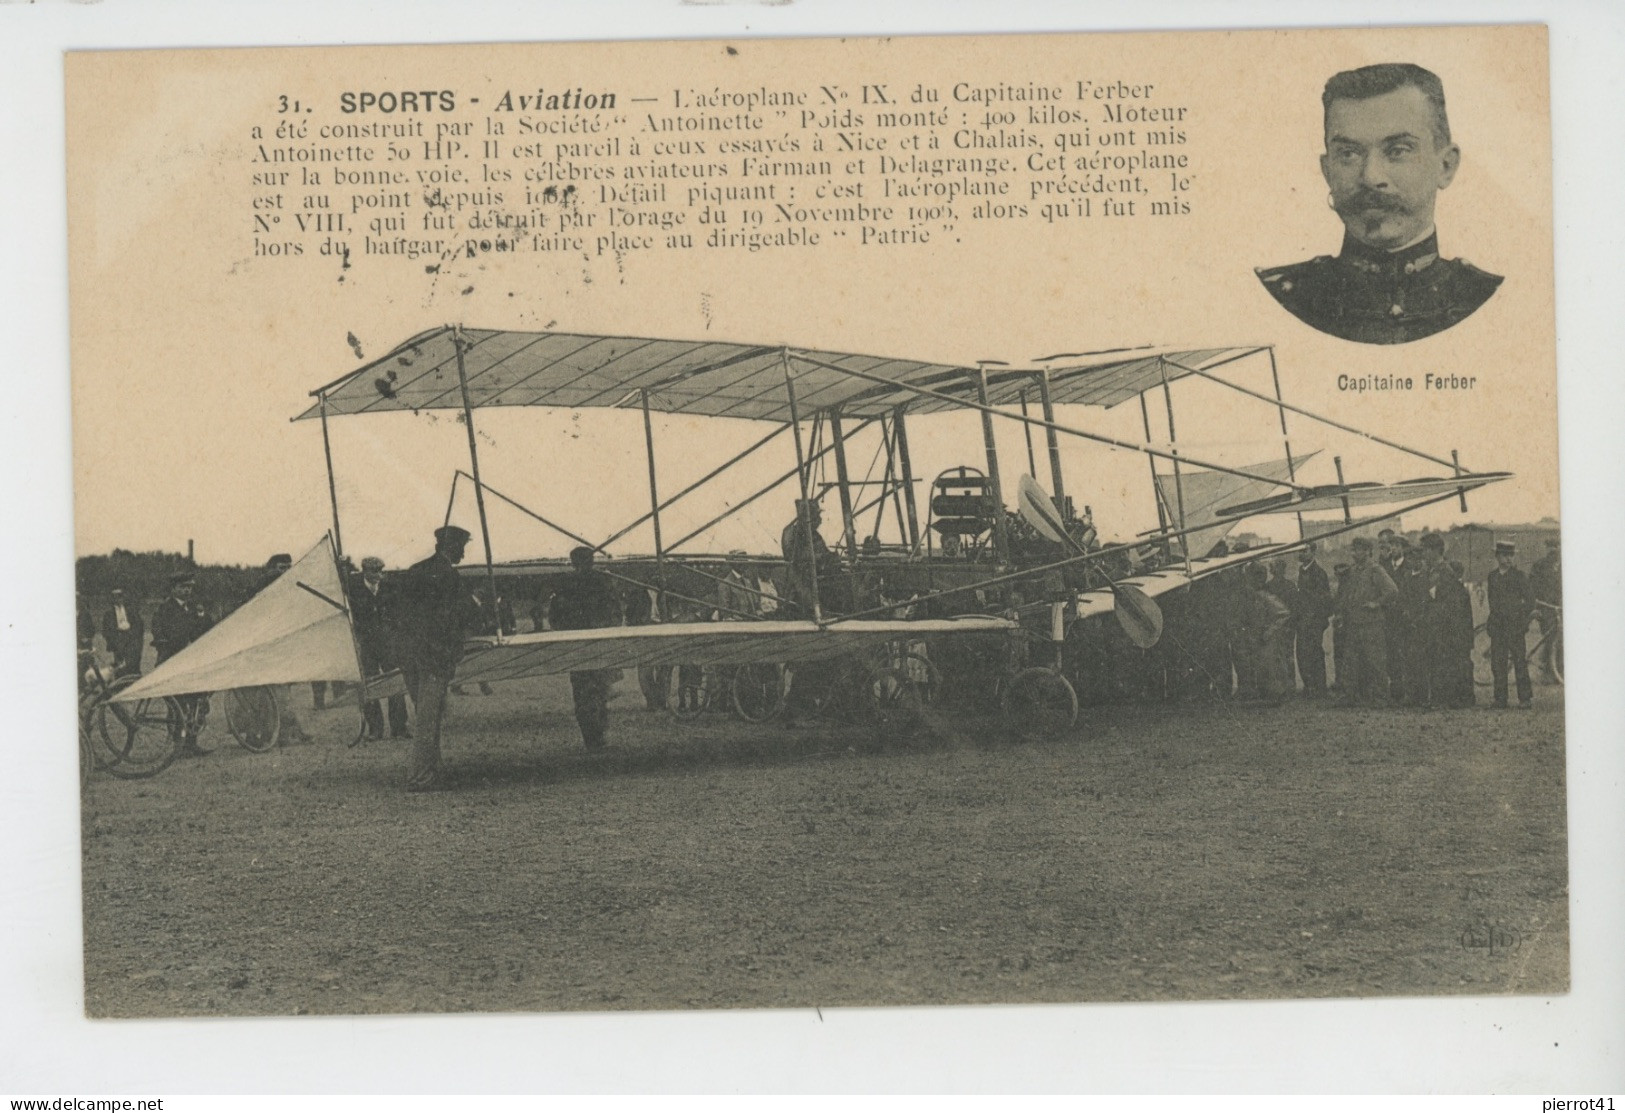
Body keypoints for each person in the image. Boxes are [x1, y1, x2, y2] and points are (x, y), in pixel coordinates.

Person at [1256, 63, 1502, 344]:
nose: (1371, 176)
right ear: (1327, 171)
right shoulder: (1282, 298)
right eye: (1348, 154)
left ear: (1445, 166)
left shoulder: (1489, 297)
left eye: (1397, 151)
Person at [394, 525, 478, 790]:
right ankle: (420, 777)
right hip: (433, 657)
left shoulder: (415, 571)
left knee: (426, 714)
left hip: (409, 655)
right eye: (461, 548)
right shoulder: (449, 577)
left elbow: (399, 612)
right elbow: (462, 614)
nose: (463, 555)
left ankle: (433, 769)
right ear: (450, 547)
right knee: (428, 720)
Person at [547, 546, 622, 749]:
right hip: (600, 642)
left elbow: (554, 616)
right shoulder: (604, 581)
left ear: (573, 562)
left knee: (583, 691)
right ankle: (599, 734)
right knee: (601, 690)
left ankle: (591, 737)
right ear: (592, 561)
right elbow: (616, 611)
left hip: (577, 644)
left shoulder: (565, 584)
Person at [150, 570, 214, 756]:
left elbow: (207, 630)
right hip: (173, 662)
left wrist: (203, 617)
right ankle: (179, 745)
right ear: (172, 589)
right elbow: (158, 632)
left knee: (198, 702)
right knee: (179, 706)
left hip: (194, 663)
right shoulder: (164, 610)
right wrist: (167, 645)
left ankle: (191, 742)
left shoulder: (194, 608)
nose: (186, 591)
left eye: (189, 587)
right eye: (182, 587)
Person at [349, 556, 408, 741]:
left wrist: (393, 631)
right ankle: (375, 729)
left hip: (388, 643)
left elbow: (398, 611)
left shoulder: (389, 588)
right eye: (375, 571)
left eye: (381, 571)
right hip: (366, 644)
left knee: (395, 681)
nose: (379, 575)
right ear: (365, 571)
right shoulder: (354, 590)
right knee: (370, 685)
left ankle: (399, 728)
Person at [257, 553, 314, 744]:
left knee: (283, 692)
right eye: (282, 568)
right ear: (271, 569)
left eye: (289, 568)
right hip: (267, 648)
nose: (286, 572)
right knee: (275, 693)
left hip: (284, 646)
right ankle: (279, 733)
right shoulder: (264, 588)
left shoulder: (289, 591)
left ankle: (289, 729)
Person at [1334, 536, 1398, 707]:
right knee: (1350, 662)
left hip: (1372, 624)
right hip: (1354, 623)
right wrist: (1341, 613)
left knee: (1376, 662)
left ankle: (1381, 698)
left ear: (1368, 551)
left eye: (1359, 549)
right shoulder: (1353, 571)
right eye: (1353, 549)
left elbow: (1392, 590)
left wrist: (1376, 603)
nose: (1354, 553)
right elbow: (1347, 595)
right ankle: (1349, 696)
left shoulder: (1375, 570)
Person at [1486, 539, 1535, 709]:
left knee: (1519, 662)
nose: (1508, 559)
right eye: (1504, 555)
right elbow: (1491, 601)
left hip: (1515, 627)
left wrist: (1518, 615)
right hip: (1498, 627)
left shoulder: (1519, 576)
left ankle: (1525, 698)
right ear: (1497, 557)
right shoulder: (1492, 577)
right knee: (1498, 664)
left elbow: (1530, 602)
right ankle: (1500, 698)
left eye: (1511, 556)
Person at [1427, 557, 1476, 708]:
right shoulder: (1459, 591)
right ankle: (1460, 698)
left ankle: (1458, 698)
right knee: (1458, 666)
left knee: (1455, 666)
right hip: (1458, 635)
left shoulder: (1454, 592)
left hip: (1455, 635)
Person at [1293, 544, 1334, 695]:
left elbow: (1324, 599)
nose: (1301, 554)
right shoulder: (1302, 571)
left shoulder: (1318, 573)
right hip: (1303, 620)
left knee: (1314, 653)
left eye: (1304, 551)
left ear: (1313, 552)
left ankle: (1319, 686)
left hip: (1313, 621)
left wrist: (1316, 619)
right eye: (1299, 551)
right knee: (1303, 653)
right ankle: (1309, 685)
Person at [1529, 537, 1562, 682]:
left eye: (1556, 546)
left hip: (1558, 606)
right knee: (1551, 637)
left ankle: (1555, 670)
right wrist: (1537, 604)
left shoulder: (1562, 565)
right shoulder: (1540, 565)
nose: (1553, 550)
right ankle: (1549, 671)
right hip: (1545, 606)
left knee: (1557, 638)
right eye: (1551, 547)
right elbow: (1532, 586)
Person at [101, 587, 146, 679]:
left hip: (131, 639)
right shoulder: (108, 614)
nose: (118, 599)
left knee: (133, 663)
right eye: (115, 597)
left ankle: (134, 682)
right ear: (112, 599)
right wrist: (113, 639)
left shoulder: (132, 610)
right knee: (120, 665)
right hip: (118, 640)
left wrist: (133, 636)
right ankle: (121, 684)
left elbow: (139, 625)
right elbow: (106, 630)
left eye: (120, 596)